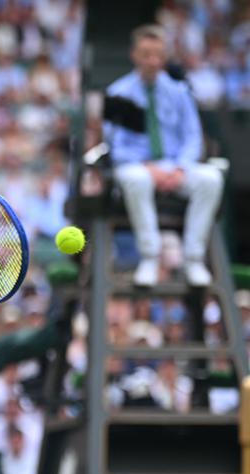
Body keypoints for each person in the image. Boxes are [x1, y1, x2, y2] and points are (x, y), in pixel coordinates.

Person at [105, 24, 224, 287]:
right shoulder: (118, 93)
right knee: (136, 179)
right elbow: (115, 146)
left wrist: (180, 168)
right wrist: (149, 168)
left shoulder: (179, 92)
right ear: (134, 54)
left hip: (175, 167)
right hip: (137, 167)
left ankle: (193, 258)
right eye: (146, 54)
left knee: (211, 178)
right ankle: (150, 256)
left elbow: (193, 137)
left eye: (158, 54)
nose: (152, 61)